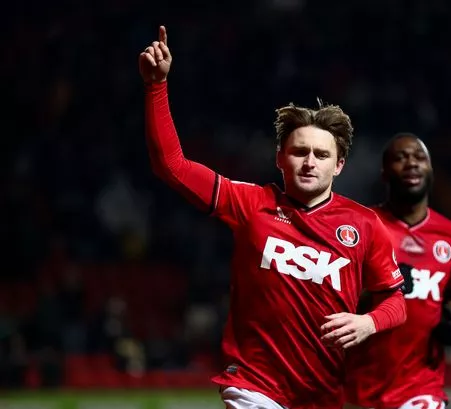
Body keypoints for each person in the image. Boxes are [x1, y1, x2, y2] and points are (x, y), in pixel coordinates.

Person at [139, 26, 407, 409]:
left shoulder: (365, 225)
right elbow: (171, 165)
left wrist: (369, 322)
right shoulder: (250, 203)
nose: (310, 162)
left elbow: (395, 301)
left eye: (321, 154)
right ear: (280, 158)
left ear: (340, 165)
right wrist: (156, 87)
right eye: (299, 152)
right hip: (253, 385)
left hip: (323, 393)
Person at [344, 133, 451, 409]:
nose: (411, 163)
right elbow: (336, 300)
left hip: (421, 386)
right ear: (384, 174)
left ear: (430, 170)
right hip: (357, 384)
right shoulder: (361, 226)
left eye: (418, 157)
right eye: (400, 158)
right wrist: (383, 285)